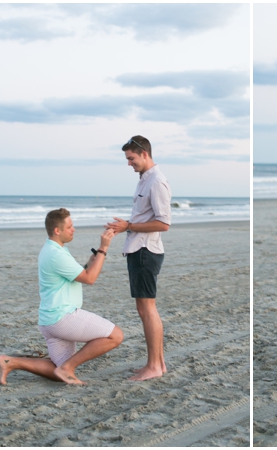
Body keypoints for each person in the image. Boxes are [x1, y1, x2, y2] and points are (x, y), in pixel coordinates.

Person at [0, 208, 123, 385]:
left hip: (50, 320)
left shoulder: (53, 249)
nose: (74, 229)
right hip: (63, 317)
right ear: (57, 230)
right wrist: (103, 249)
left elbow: (78, 274)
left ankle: (10, 362)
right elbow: (90, 278)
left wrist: (90, 262)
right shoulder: (56, 254)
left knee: (58, 371)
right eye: (70, 226)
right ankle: (67, 368)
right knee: (115, 336)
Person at [105, 135, 172, 381]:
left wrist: (128, 226)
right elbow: (146, 217)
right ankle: (158, 364)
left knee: (148, 309)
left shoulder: (157, 181)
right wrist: (127, 225)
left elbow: (164, 223)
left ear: (144, 153)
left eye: (131, 158)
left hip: (146, 251)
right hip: (138, 249)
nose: (129, 163)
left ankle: (154, 366)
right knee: (144, 310)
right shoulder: (145, 180)